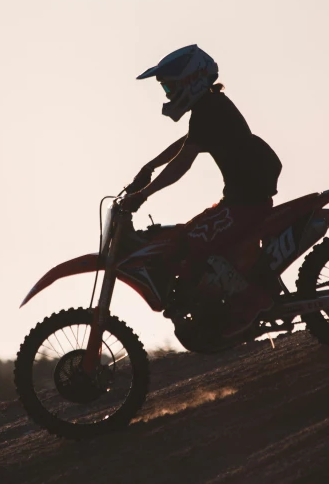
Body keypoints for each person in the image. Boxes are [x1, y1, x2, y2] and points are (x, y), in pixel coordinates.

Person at [121, 44, 283, 337]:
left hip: (246, 202)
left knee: (194, 241)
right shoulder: (209, 107)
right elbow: (188, 143)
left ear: (190, 80)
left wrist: (142, 195)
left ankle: (252, 301)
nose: (169, 96)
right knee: (183, 236)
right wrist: (150, 166)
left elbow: (183, 161)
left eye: (170, 89)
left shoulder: (211, 108)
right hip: (238, 199)